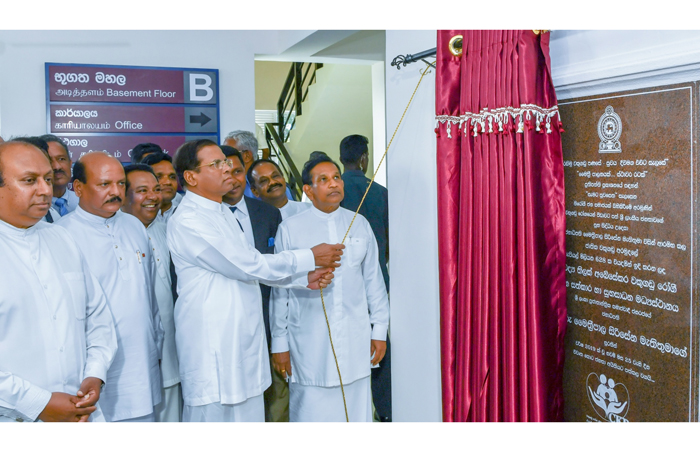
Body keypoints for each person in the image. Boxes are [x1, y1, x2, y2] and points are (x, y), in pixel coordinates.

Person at [166, 139, 344, 422]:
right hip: (213, 345)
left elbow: (252, 267)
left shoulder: (221, 211)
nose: (227, 168)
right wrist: (309, 257)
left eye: (226, 162)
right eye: (216, 164)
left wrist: (301, 279)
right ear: (191, 177)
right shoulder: (189, 219)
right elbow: (247, 265)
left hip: (244, 342)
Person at [0, 141, 117, 422]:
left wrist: (95, 374)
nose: (46, 190)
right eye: (30, 180)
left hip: (82, 410)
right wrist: (39, 403)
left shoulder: (61, 237)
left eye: (48, 179)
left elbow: (97, 315)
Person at [270, 154, 389, 422]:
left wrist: (379, 330)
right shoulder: (290, 229)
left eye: (336, 177)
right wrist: (279, 343)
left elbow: (374, 282)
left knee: (355, 415)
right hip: (309, 344)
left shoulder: (359, 223)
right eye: (323, 179)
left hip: (355, 340)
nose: (334, 183)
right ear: (308, 190)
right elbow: (280, 291)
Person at [55, 152, 165, 422]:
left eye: (120, 184)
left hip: (143, 366)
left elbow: (149, 296)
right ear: (78, 187)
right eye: (105, 184)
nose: (116, 192)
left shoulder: (134, 225)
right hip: (93, 374)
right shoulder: (61, 235)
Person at [221, 145, 288, 422]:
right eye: (226, 173)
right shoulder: (204, 219)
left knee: (275, 406)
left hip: (267, 324)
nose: (233, 179)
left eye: (238, 171)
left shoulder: (268, 214)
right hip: (225, 329)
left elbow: (279, 269)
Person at [121, 164, 181, 422]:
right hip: (130, 357)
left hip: (172, 351)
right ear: (123, 195)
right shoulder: (113, 234)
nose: (153, 197)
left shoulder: (168, 229)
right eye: (142, 190)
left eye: (156, 190)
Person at [338, 134, 392, 421]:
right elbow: (390, 238)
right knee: (379, 343)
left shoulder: (332, 192)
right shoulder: (380, 192)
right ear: (364, 159)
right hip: (377, 280)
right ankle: (385, 412)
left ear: (340, 159)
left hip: (340, 283)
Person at [224, 130, 293, 200]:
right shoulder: (225, 182)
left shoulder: (274, 186)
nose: (223, 158)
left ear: (247, 156)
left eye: (230, 153)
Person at [40, 134, 79, 217]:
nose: (57, 167)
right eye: (49, 160)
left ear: (70, 163)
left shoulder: (84, 204)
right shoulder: (30, 208)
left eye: (61, 159)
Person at [141, 152, 183, 222]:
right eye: (159, 177)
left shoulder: (187, 214)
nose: (168, 182)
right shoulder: (135, 216)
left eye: (172, 177)